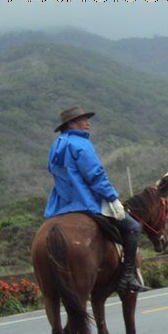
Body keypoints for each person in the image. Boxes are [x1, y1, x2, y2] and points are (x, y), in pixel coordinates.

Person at [43, 107, 145, 292]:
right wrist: (112, 198)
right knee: (133, 228)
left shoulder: (55, 146)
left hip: (61, 203)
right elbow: (95, 175)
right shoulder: (81, 144)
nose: (88, 122)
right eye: (83, 119)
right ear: (72, 123)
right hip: (86, 201)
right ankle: (128, 277)